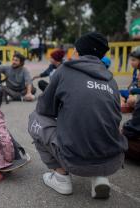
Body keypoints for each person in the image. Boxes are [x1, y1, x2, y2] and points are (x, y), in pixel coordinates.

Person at [28, 32, 128, 199]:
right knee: (99, 119)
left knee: (35, 118)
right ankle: (99, 177)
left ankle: (61, 177)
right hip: (112, 160)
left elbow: (45, 109)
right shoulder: (111, 80)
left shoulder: (65, 70)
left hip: (75, 160)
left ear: (78, 51)